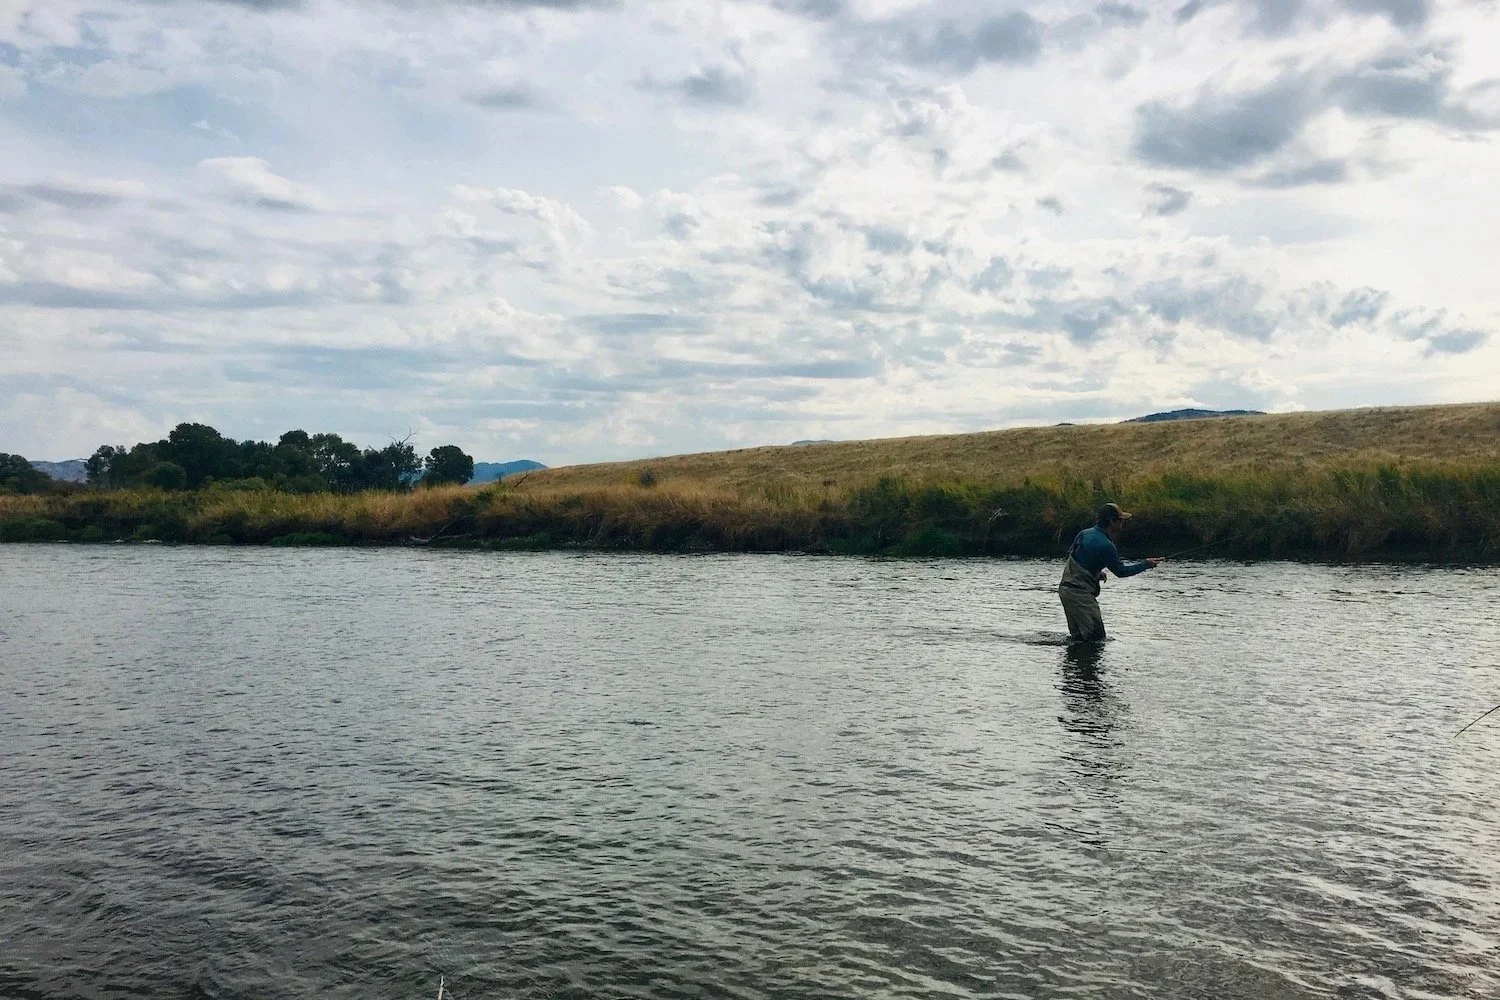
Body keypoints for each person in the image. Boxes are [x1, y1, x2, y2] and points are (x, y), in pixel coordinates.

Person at [1058, 503, 1161, 642]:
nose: (1122, 523)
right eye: (1120, 519)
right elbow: (1121, 572)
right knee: (1096, 639)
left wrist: (1096, 573)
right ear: (1111, 522)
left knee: (1079, 639)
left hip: (1065, 591)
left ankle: (1074, 664)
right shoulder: (1107, 545)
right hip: (1080, 595)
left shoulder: (1084, 534)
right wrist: (1145, 565)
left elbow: (1074, 557)